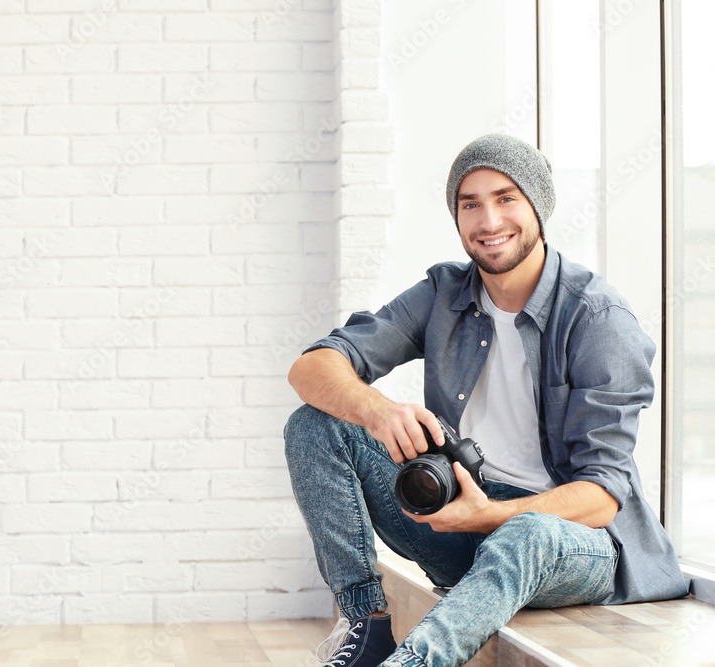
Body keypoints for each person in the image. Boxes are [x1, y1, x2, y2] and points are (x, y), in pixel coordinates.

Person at [284, 134, 690, 667]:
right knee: (315, 424)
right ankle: (367, 627)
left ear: (538, 207)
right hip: (458, 520)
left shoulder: (597, 318)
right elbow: (311, 367)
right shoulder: (444, 292)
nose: (488, 221)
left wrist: (492, 514)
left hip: (572, 544)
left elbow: (602, 495)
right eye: (469, 204)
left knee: (526, 532)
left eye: (505, 199)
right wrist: (377, 411)